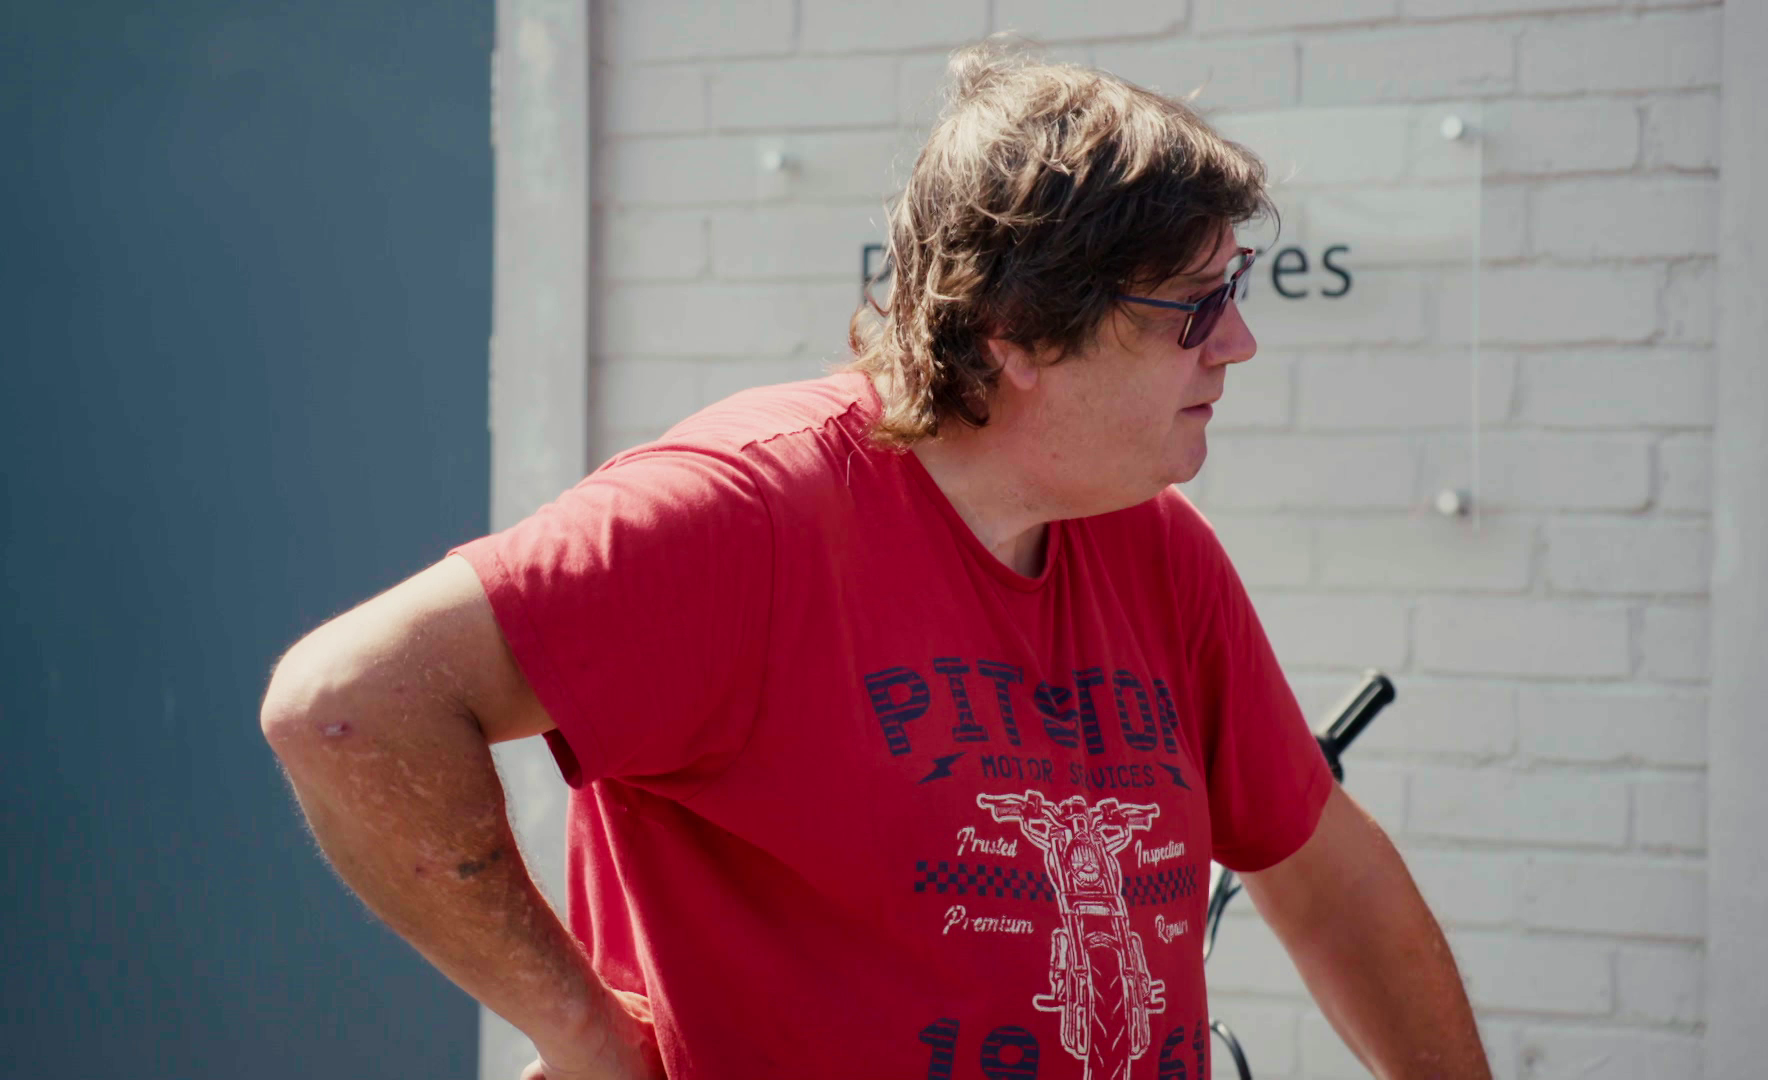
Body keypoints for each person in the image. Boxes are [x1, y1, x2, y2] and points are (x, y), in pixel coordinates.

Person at [260, 40, 1490, 1080]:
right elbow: (346, 707)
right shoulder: (739, 516)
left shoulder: (1153, 543)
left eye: (1237, 287)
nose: (1239, 343)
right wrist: (582, 1029)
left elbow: (1328, 875)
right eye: (1193, 307)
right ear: (1019, 331)